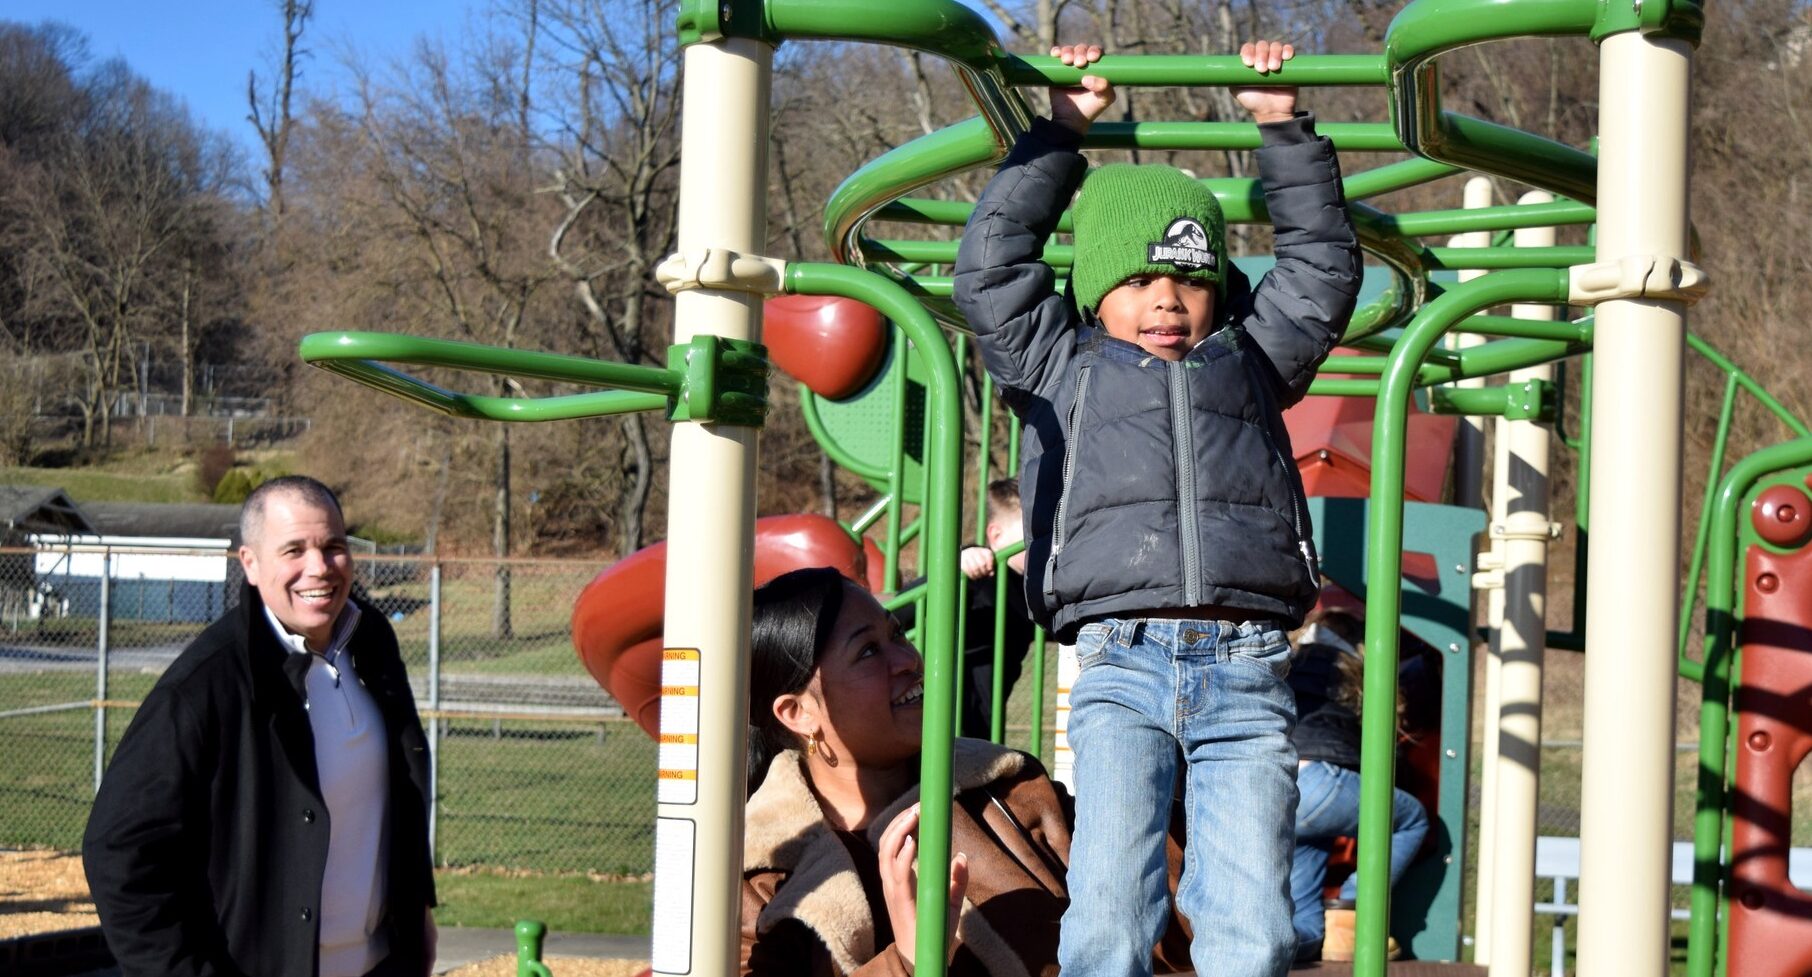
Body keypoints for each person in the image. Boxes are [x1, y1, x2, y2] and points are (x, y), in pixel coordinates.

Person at [952, 38, 1362, 977]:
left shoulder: (1253, 363)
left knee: (1254, 922)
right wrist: (1060, 132)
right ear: (1096, 295)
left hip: (1249, 667)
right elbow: (990, 271)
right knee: (1108, 907)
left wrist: (1283, 127)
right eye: (1137, 281)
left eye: (1187, 280)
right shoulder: (1062, 368)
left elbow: (1320, 273)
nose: (1166, 301)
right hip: (1119, 664)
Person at [739, 567, 1192, 977]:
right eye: (869, 651)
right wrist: (909, 960)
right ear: (797, 713)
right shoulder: (758, 873)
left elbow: (1171, 931)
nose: (908, 660)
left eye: (897, 635)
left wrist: (1167, 775)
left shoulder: (1008, 787)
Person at [83, 476, 436, 977]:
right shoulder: (208, 684)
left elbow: (401, 789)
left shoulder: (372, 641)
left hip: (381, 964)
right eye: (294, 550)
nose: (319, 567)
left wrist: (417, 910)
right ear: (250, 563)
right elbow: (117, 850)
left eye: (333, 547)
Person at [1287, 604, 1430, 963]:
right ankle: (1352, 903)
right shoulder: (1355, 673)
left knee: (1304, 923)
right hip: (1323, 782)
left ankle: (1292, 944)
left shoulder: (1290, 663)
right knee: (1411, 819)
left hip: (1282, 788)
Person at [894, 479, 1036, 738]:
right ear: (996, 535)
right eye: (1032, 534)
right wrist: (954, 566)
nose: (1041, 545)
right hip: (947, 720)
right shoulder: (977, 575)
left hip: (985, 724)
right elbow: (899, 611)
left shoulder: (1033, 590)